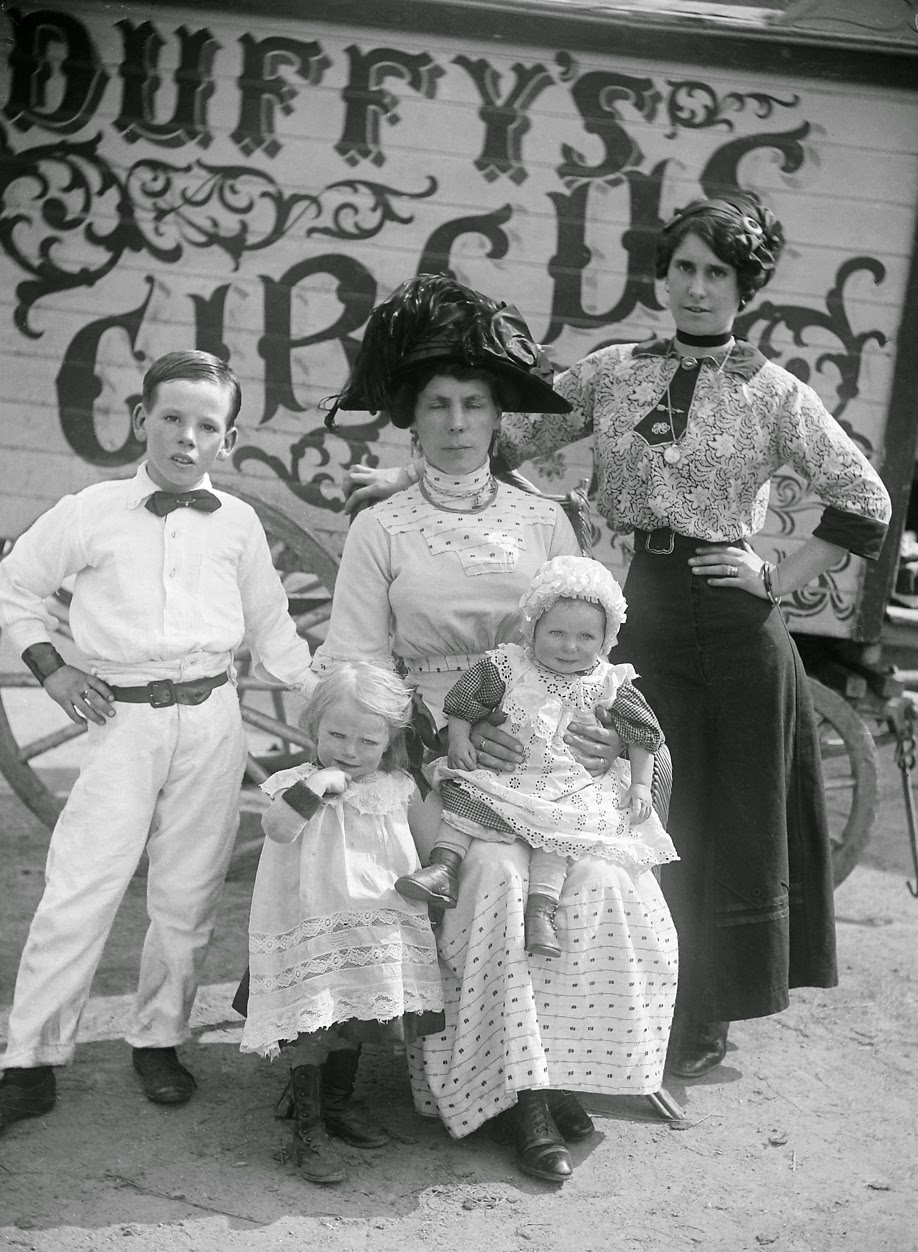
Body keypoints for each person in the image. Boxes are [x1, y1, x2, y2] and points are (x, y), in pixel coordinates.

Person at [345, 194, 892, 1081]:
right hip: (644, 609)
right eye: (684, 268)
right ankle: (631, 996)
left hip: (737, 618)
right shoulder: (614, 372)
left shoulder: (773, 391)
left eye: (719, 272)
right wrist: (405, 476)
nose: (698, 288)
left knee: (723, 814)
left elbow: (863, 498)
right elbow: (498, 436)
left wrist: (775, 580)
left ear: (745, 285)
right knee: (637, 803)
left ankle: (708, 1013)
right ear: (663, 275)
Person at [315, 275, 678, 1183]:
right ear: (411, 418)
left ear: (495, 417)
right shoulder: (381, 527)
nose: (454, 421)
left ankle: (557, 1072)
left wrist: (602, 736)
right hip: (434, 755)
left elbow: (584, 647)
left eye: (473, 403)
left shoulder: (545, 519)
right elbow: (355, 667)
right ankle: (512, 1099)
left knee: (598, 871)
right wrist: (437, 738)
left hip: (550, 757)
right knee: (494, 872)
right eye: (435, 404)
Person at [0, 350, 316, 1136]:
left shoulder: (238, 524)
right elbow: (14, 587)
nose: (185, 438)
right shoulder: (90, 510)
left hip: (213, 720)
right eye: (170, 418)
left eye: (206, 425)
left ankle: (158, 1038)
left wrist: (341, 709)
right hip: (120, 721)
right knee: (82, 885)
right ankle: (30, 1059)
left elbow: (277, 637)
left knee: (188, 890)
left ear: (228, 438)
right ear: (142, 420)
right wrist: (52, 670)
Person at [395, 554, 678, 961]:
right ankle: (443, 867)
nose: (569, 646)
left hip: (568, 786)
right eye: (556, 633)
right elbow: (465, 702)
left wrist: (638, 783)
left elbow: (643, 733)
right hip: (508, 773)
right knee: (469, 799)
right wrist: (459, 739)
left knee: (559, 836)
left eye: (585, 638)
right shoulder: (510, 666)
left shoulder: (610, 681)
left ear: (605, 640)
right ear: (533, 628)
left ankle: (542, 912)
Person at [239, 662, 444, 1185]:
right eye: (336, 735)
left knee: (353, 1017)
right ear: (313, 727)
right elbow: (279, 830)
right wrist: (317, 785)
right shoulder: (293, 784)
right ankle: (306, 1122)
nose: (349, 751)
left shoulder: (397, 788)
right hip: (313, 922)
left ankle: (336, 1101)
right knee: (314, 1022)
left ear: (390, 742)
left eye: (366, 741)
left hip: (370, 927)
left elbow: (428, 846)